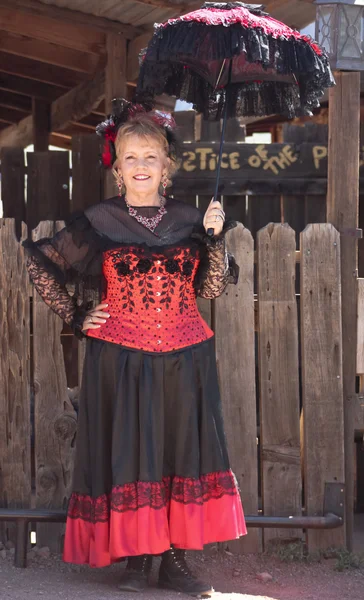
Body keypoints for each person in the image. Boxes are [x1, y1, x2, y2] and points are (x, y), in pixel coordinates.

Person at [23, 99, 246, 597]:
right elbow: (42, 262)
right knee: (128, 451)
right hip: (120, 358)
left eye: (150, 157)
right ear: (118, 168)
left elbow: (209, 290)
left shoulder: (193, 219)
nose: (140, 166)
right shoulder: (100, 220)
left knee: (179, 450)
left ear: (166, 167)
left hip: (185, 356)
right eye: (130, 157)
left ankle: (174, 562)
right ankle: (135, 560)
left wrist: (213, 239)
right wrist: (79, 316)